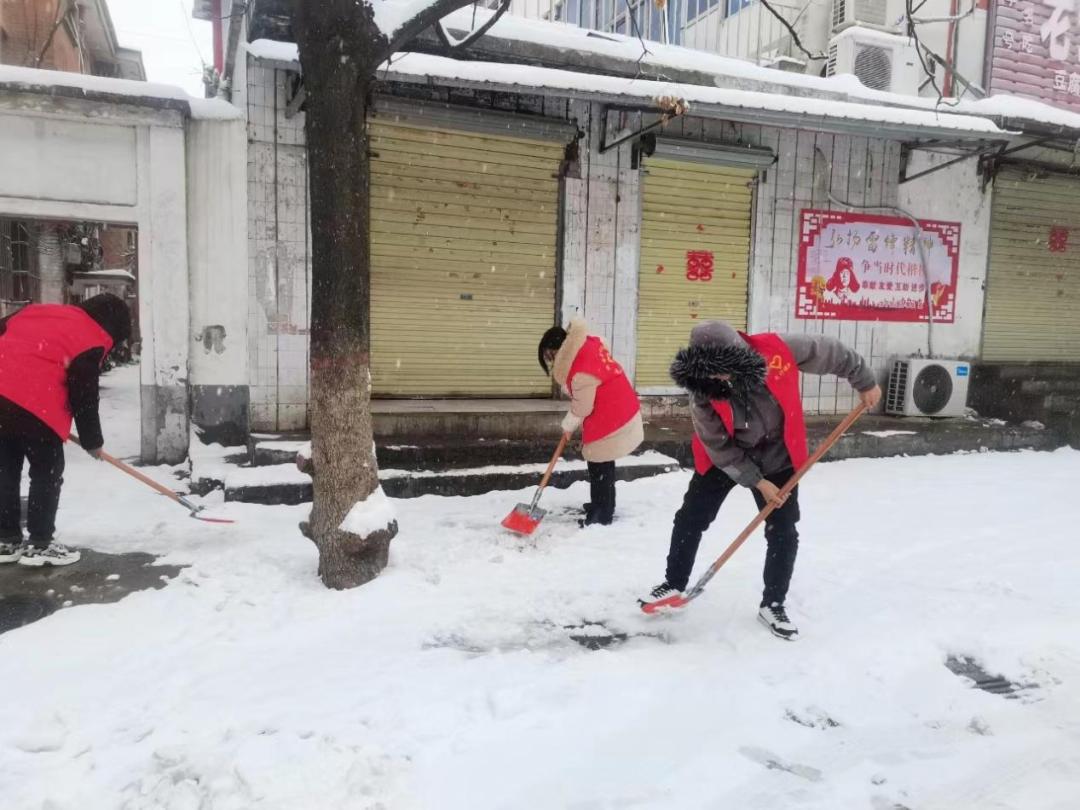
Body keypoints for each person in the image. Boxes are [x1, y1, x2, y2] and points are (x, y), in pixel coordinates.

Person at [639, 321, 881, 639]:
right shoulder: (702, 392)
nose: (719, 379)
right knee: (691, 517)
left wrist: (864, 381)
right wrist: (757, 482)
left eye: (724, 370)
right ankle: (674, 582)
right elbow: (718, 446)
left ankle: (773, 603)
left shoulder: (778, 351)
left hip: (777, 454)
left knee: (782, 528)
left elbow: (831, 352)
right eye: (711, 373)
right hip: (726, 456)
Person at [0, 294, 131, 567]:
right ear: (112, 326)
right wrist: (92, 440)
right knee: (45, 474)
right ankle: (40, 544)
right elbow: (83, 393)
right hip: (38, 408)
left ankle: (6, 540)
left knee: (5, 474)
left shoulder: (34, 313)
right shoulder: (90, 335)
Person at [538, 318, 644, 526]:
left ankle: (602, 514)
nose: (552, 361)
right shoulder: (588, 347)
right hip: (618, 408)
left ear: (561, 348)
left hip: (611, 417)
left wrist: (567, 426)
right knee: (604, 464)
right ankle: (602, 505)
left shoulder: (580, 370)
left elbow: (582, 407)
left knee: (599, 466)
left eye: (551, 355)